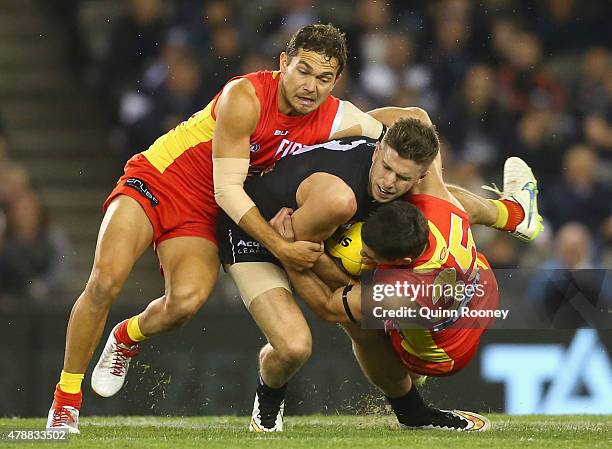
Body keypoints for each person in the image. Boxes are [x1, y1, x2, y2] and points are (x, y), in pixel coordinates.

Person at [46, 23, 427, 434]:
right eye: (302, 70)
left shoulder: (336, 115)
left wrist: (453, 200)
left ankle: (126, 335)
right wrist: (282, 249)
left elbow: (410, 130)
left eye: (323, 78)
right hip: (158, 181)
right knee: (105, 281)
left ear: (336, 82)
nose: (310, 86)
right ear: (283, 63)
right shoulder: (244, 96)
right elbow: (227, 190)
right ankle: (66, 400)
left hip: (204, 213)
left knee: (185, 304)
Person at [216, 117, 540, 431]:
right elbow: (416, 117)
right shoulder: (439, 205)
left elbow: (328, 306)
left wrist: (289, 252)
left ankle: (412, 412)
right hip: (481, 288)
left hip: (441, 353)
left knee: (361, 324)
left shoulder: (402, 291)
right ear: (378, 150)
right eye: (387, 168)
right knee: (445, 200)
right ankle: (514, 214)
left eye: (372, 259)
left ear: (400, 262)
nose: (388, 182)